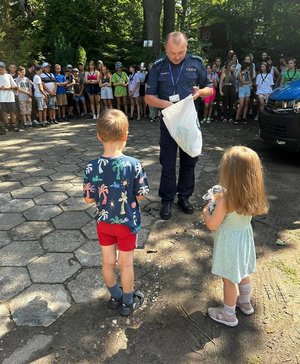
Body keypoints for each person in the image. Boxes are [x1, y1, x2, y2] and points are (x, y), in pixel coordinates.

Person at [83, 109, 150, 316]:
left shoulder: (91, 166)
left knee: (108, 262)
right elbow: (140, 195)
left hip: (104, 224)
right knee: (126, 264)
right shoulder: (133, 165)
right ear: (125, 136)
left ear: (98, 136)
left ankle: (115, 296)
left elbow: (88, 198)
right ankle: (128, 302)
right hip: (127, 224)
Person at [145, 31, 213, 220]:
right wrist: (165, 104)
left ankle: (184, 197)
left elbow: (210, 88)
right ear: (165, 48)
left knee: (189, 161)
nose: (176, 57)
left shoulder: (196, 63)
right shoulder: (158, 67)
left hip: (189, 122)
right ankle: (167, 200)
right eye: (173, 52)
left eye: (181, 52)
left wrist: (200, 92)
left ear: (186, 48)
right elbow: (148, 97)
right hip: (169, 122)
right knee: (167, 163)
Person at [202, 146, 269, 327]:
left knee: (229, 279)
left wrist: (208, 207)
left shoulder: (226, 199)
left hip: (229, 242)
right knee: (243, 272)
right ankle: (245, 303)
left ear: (229, 173)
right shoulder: (252, 195)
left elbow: (212, 224)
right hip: (244, 240)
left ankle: (228, 314)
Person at [0, 61, 19, 131]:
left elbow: (15, 86)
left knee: (12, 112)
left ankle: (13, 125)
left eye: (1, 67)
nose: (0, 69)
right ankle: (7, 126)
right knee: (4, 112)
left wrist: (8, 88)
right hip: (1, 98)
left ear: (4, 68)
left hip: (10, 97)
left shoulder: (8, 76)